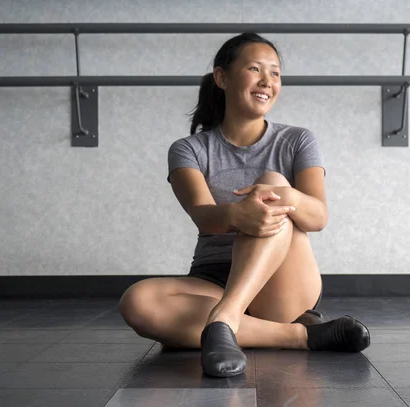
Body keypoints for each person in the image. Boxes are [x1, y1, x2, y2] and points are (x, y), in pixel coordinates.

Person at [119, 32, 370, 378]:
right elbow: (204, 217)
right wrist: (238, 214)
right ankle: (300, 335)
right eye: (255, 69)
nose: (268, 81)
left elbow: (318, 217)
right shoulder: (189, 149)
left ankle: (223, 320)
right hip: (212, 277)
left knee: (274, 184)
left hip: (281, 283)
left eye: (276, 73)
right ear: (222, 78)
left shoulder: (298, 140)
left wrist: (284, 194)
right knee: (137, 301)